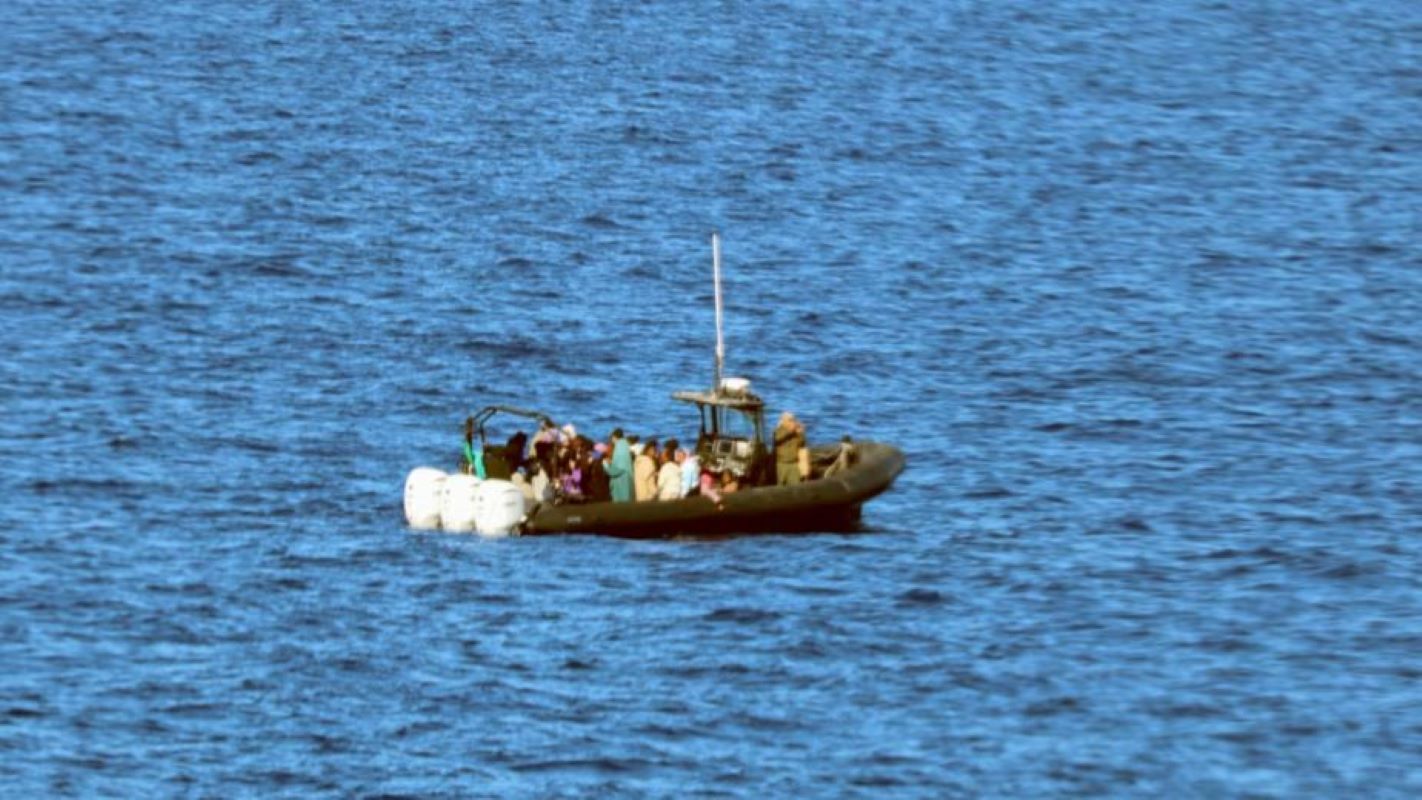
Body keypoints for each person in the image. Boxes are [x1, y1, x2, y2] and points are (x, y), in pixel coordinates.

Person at [774, 411, 806, 486]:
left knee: (795, 485)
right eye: (790, 420)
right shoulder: (778, 430)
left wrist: (801, 433)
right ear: (783, 421)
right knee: (781, 485)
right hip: (782, 464)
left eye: (793, 420)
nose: (793, 422)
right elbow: (777, 439)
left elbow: (802, 443)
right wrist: (791, 431)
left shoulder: (796, 432)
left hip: (794, 464)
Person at [607, 428, 633, 502]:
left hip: (621, 480)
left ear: (614, 437)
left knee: (621, 502)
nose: (611, 440)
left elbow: (619, 468)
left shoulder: (620, 446)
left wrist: (606, 465)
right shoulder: (625, 445)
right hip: (627, 478)